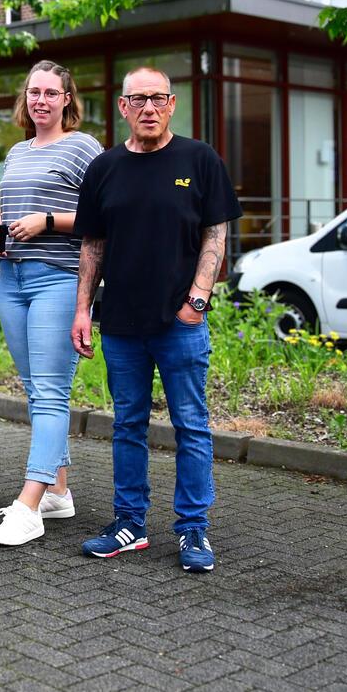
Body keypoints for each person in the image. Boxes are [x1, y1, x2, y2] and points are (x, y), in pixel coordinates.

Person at [72, 66, 241, 572]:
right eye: (137, 99)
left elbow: (216, 234)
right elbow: (93, 245)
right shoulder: (104, 168)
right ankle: (129, 524)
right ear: (122, 108)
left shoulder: (199, 159)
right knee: (127, 424)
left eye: (158, 98)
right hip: (121, 322)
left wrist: (199, 299)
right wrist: (83, 307)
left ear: (172, 105)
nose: (148, 107)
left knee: (191, 425)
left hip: (179, 322)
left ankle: (193, 530)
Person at [0, 60, 104, 547]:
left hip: (59, 278)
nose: (41, 100)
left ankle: (28, 507)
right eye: (34, 92)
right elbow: (15, 213)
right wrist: (0, 237)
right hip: (12, 276)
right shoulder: (16, 151)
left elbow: (104, 217)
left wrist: (47, 221)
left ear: (67, 99)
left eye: (51, 93)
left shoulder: (83, 147)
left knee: (51, 391)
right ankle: (58, 492)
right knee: (35, 389)